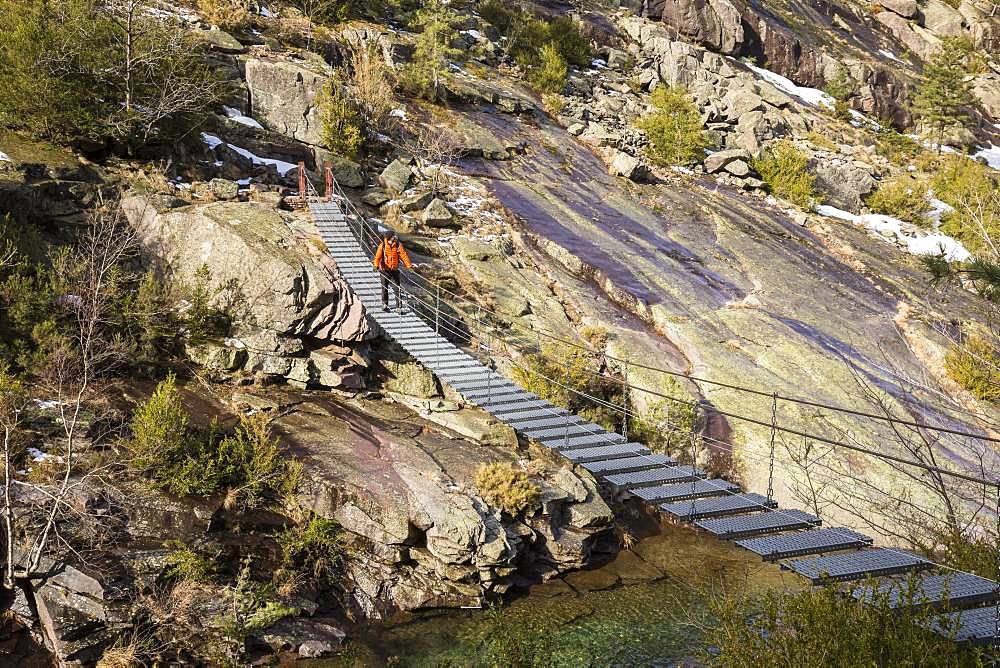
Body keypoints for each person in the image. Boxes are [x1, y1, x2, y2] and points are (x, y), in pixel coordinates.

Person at [373, 228, 413, 312]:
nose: (395, 237)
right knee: (384, 287)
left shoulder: (398, 245)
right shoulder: (383, 245)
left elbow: (404, 256)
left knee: (397, 287)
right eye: (393, 236)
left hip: (394, 269)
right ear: (389, 238)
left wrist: (409, 266)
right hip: (384, 269)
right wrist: (376, 265)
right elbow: (377, 257)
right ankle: (385, 304)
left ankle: (398, 307)